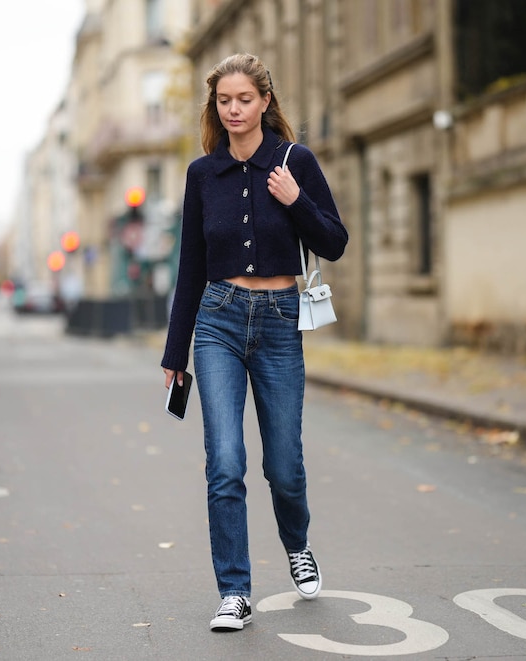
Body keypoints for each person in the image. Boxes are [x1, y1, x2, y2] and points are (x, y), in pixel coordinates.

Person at [161, 53, 348, 632]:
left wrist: (295, 199)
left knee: (285, 467)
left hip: (278, 321)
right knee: (224, 462)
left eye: (245, 99)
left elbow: (335, 242)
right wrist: (175, 354)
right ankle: (235, 591)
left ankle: (297, 544)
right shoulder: (202, 174)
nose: (234, 109)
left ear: (266, 101)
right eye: (224, 100)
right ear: (214, 107)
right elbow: (190, 264)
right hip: (217, 320)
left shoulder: (296, 163)